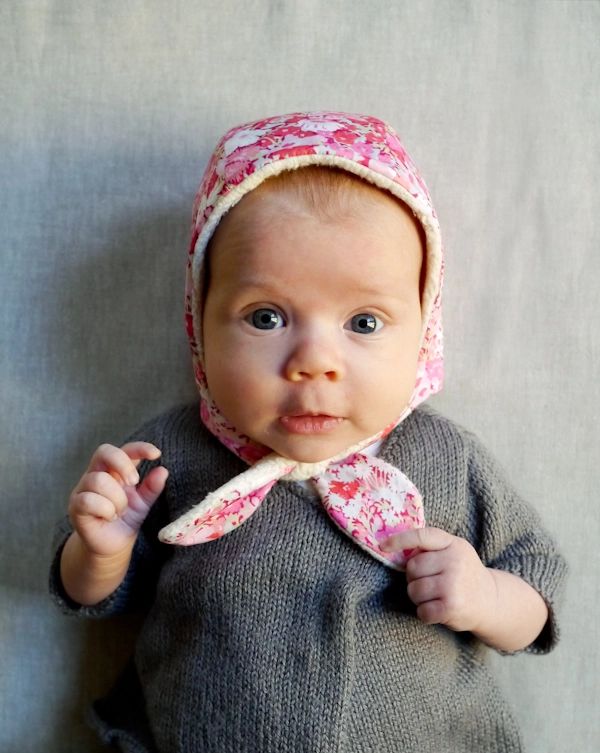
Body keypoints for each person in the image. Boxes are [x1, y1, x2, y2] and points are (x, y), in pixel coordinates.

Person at [50, 111, 567, 753]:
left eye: (365, 323)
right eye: (265, 317)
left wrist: (488, 598)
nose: (313, 360)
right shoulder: (168, 455)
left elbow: (537, 595)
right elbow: (93, 598)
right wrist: (100, 552)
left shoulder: (448, 457)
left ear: (424, 332)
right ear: (199, 324)